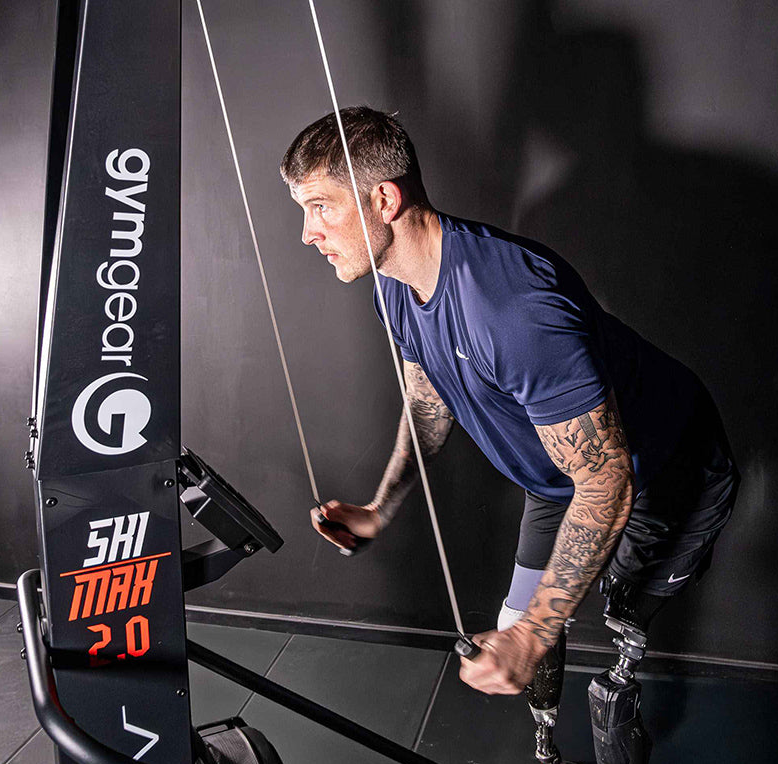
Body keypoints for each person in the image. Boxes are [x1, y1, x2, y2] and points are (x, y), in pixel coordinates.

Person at [280, 106, 739, 702]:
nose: (307, 232)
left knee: (616, 624)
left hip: (666, 472)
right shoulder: (395, 285)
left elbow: (607, 482)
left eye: (320, 206)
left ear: (383, 201)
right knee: (511, 634)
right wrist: (379, 509)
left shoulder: (510, 309)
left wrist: (535, 631)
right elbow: (428, 404)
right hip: (562, 482)